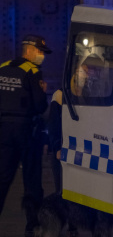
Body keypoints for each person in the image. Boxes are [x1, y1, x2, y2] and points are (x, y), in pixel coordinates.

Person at [0, 34, 52, 237]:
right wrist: (44, 92)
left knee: (3, 178)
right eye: (40, 51)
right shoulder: (32, 71)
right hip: (26, 132)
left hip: (3, 130)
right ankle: (32, 225)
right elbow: (40, 106)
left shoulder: (3, 67)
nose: (41, 56)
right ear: (29, 50)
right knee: (31, 179)